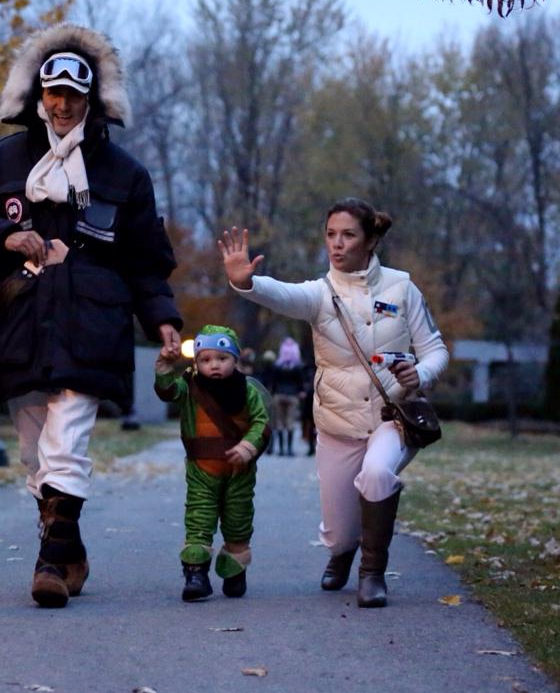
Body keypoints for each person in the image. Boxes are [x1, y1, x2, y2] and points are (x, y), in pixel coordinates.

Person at [0, 23, 182, 608]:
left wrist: (163, 321)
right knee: (34, 453)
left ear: (92, 99)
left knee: (67, 441)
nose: (63, 104)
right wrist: (6, 237)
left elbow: (147, 262)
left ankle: (49, 563)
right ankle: (68, 548)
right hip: (19, 322)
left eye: (75, 95)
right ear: (38, 95)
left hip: (92, 325)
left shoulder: (125, 174)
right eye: (54, 93)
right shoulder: (3, 161)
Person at [219, 197, 448, 608]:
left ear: (371, 240)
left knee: (378, 473)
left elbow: (435, 349)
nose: (336, 244)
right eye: (330, 235)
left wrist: (422, 373)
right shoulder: (319, 295)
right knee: (340, 532)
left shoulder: (402, 287)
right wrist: (246, 282)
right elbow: (282, 294)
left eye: (348, 235)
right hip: (338, 423)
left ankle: (372, 574)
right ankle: (343, 553)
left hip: (390, 417)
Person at [155, 325, 270, 602]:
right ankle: (196, 574)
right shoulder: (190, 387)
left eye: (222, 358)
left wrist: (248, 446)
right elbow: (169, 392)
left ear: (235, 359)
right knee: (199, 518)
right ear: (196, 363)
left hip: (239, 471)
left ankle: (235, 569)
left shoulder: (247, 390)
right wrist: (164, 370)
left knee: (238, 520)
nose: (214, 366)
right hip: (201, 470)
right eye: (205, 360)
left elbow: (261, 422)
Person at [270, 337, 306, 456]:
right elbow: (301, 382)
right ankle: (289, 450)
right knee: (290, 422)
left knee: (279, 422)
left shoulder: (278, 365)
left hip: (278, 395)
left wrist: (273, 393)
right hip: (292, 396)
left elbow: (273, 382)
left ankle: (281, 450)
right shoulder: (297, 366)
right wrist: (301, 391)